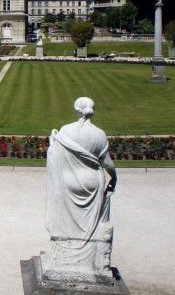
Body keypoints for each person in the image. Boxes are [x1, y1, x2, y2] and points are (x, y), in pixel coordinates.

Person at [44, 97, 117, 276]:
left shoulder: (65, 131)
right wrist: (114, 178)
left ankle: (61, 256)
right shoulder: (99, 134)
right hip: (92, 182)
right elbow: (107, 163)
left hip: (68, 181)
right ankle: (89, 260)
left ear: (77, 109)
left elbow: (55, 155)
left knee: (65, 220)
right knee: (92, 225)